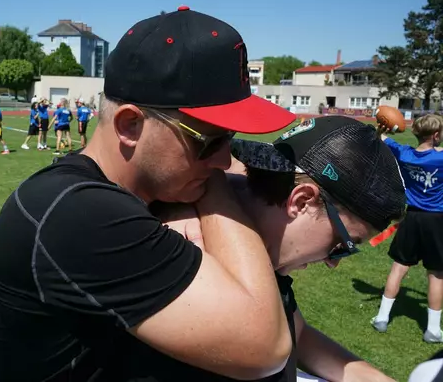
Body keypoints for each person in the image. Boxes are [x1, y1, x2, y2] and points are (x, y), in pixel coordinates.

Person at [0, 7, 300, 382]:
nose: (224, 160)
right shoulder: (79, 212)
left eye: (231, 139)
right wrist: (215, 189)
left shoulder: (112, 193)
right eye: (210, 141)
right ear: (130, 125)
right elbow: (264, 347)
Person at [154, 116, 406, 382]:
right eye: (342, 244)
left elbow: (299, 333)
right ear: (302, 201)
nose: (334, 262)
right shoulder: (187, 250)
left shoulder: (265, 250)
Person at [372, 114, 443, 342]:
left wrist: (383, 127)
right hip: (437, 220)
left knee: (399, 268)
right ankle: (432, 330)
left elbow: (380, 138)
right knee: (436, 274)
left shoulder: (404, 154)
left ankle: (382, 318)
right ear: (436, 135)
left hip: (411, 217)